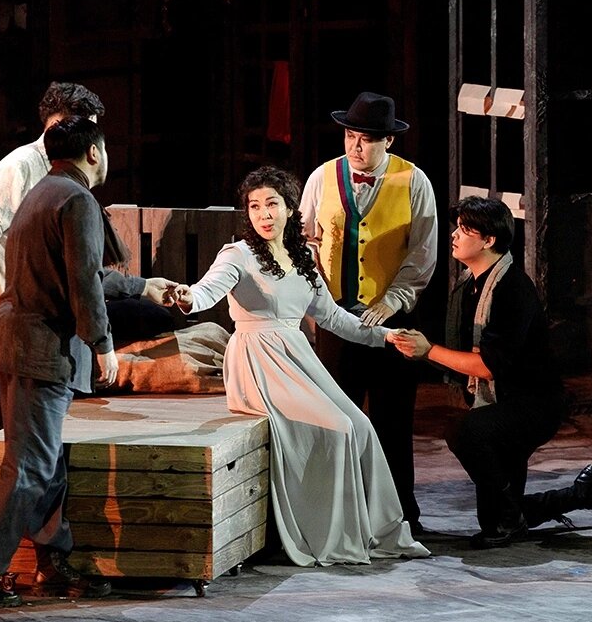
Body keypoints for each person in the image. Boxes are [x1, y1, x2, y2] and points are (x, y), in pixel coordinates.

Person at [0, 116, 176, 606]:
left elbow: (79, 271)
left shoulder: (43, 192)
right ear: (93, 152)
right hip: (38, 348)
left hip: (20, 343)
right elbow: (84, 283)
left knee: (47, 463)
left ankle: (53, 561)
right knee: (31, 465)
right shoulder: (76, 200)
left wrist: (143, 286)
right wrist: (103, 344)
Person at [172, 166, 430, 567]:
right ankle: (330, 533)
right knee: (337, 427)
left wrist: (385, 336)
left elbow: (334, 318)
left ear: (291, 208)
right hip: (258, 359)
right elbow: (207, 291)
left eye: (272, 204)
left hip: (297, 357)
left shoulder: (303, 257)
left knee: (361, 426)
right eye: (254, 206)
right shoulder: (237, 255)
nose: (264, 214)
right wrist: (188, 297)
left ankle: (370, 529)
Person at [0, 82, 172, 510]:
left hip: (44, 311)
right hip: (6, 309)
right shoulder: (22, 166)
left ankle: (37, 535)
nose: (91, 142)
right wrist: (0, 303)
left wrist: (142, 287)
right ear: (59, 124)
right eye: (85, 128)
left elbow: (79, 268)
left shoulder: (67, 177)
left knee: (40, 439)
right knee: (2, 429)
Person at [389, 196, 592, 549]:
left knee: (464, 431)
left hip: (533, 406)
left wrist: (429, 350)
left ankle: (515, 518)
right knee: (498, 516)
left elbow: (488, 366)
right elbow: (459, 354)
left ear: (489, 240)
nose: (454, 235)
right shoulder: (468, 286)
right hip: (501, 403)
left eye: (465, 229)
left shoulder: (512, 288)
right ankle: (583, 493)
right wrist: (416, 348)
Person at [300, 91, 437, 533]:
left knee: (392, 423)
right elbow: (305, 241)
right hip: (336, 319)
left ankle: (399, 519)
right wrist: (318, 299)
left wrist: (393, 300)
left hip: (392, 321)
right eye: (350, 136)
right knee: (335, 421)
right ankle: (335, 519)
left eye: (366, 139)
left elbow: (423, 252)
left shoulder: (413, 181)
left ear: (388, 142)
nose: (355, 147)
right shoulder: (322, 177)